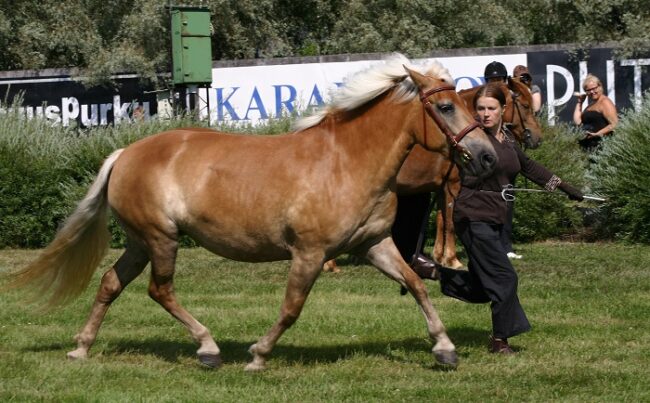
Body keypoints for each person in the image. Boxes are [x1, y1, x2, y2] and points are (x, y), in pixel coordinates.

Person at [421, 83, 584, 354]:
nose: (485, 114)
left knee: (485, 286)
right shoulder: (469, 139)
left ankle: (434, 272)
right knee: (505, 278)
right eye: (481, 108)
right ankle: (500, 341)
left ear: (503, 110)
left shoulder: (508, 139)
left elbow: (529, 167)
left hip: (496, 217)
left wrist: (563, 186)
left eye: (491, 109)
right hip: (472, 215)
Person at [573, 74, 618, 152]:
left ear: (600, 86)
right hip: (589, 148)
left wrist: (597, 134)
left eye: (594, 88)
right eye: (588, 90)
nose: (592, 92)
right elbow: (578, 121)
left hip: (602, 148)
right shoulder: (591, 104)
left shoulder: (605, 102)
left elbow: (614, 124)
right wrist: (579, 102)